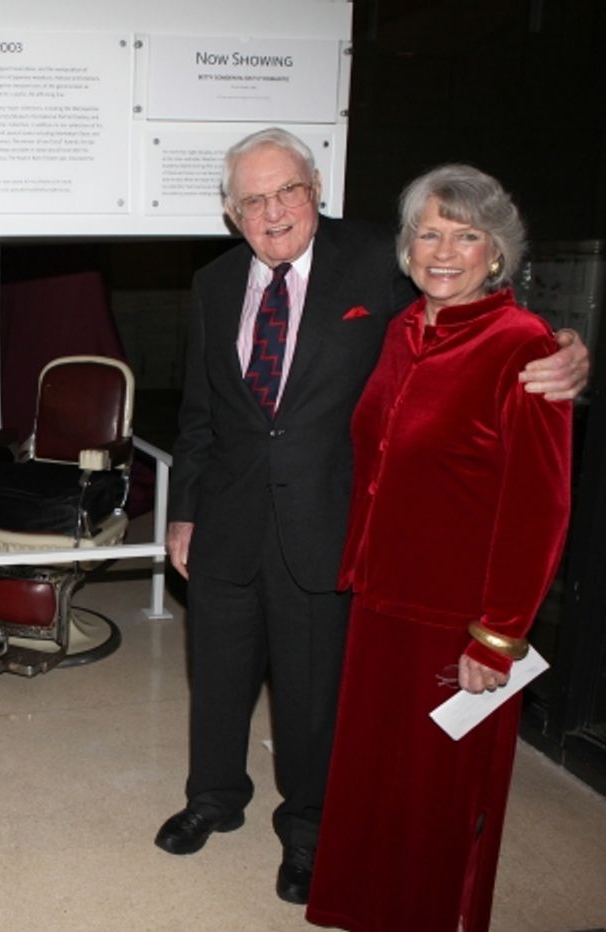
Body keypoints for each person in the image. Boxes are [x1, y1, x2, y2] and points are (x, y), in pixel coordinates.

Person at [155, 128, 587, 906]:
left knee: (313, 694)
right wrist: (183, 512)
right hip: (225, 518)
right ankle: (213, 799)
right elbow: (199, 414)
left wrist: (566, 346)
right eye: (252, 199)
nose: (273, 210)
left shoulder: (378, 262)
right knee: (216, 679)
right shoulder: (214, 284)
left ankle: (308, 832)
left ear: (316, 188)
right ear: (230, 213)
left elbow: (472, 309)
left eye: (287, 190)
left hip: (328, 528)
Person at [305, 166, 572, 932]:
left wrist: (498, 634)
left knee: (439, 797)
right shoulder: (404, 330)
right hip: (382, 599)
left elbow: (542, 506)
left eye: (466, 235)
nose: (444, 250)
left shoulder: (523, 345)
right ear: (407, 246)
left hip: (459, 618)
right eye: (429, 232)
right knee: (375, 781)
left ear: (497, 253)